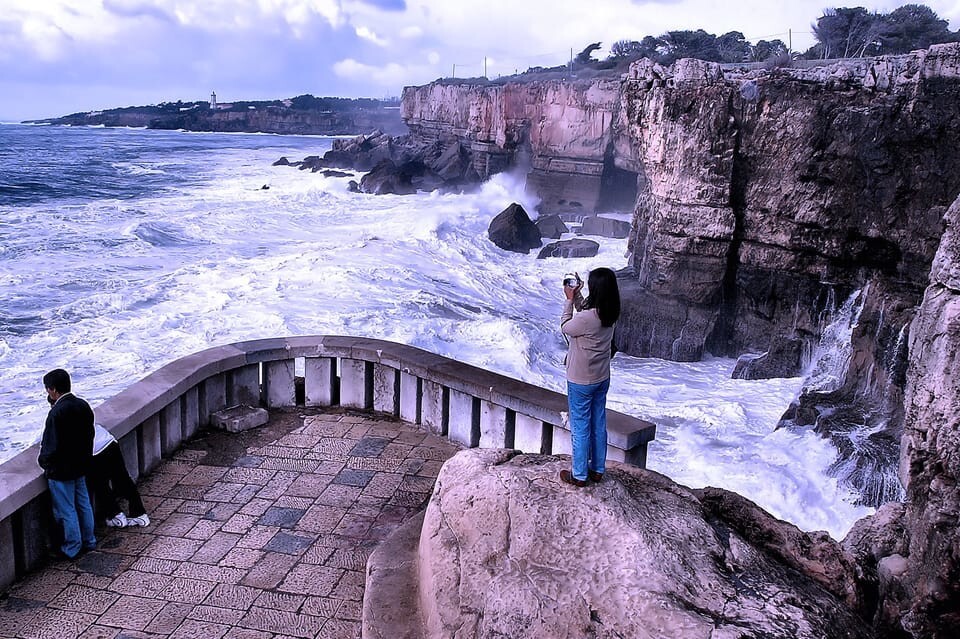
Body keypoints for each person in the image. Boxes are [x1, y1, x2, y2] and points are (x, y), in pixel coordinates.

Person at [559, 268, 621, 487]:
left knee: (580, 426)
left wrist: (568, 301)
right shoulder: (610, 312)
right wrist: (577, 296)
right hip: (601, 377)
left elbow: (567, 326)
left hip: (581, 381)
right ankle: (597, 470)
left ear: (596, 290)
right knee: (598, 422)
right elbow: (587, 313)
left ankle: (579, 475)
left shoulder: (587, 319)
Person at [38, 368, 97, 559]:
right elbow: (90, 435)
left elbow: (50, 446)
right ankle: (89, 540)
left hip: (61, 470)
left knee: (67, 510)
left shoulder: (57, 413)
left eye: (47, 389)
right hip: (81, 465)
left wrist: (45, 463)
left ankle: (72, 548)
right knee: (84, 504)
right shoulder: (83, 405)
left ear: (53, 390)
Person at [87, 423, 150, 527]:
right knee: (122, 478)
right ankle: (139, 513)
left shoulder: (57, 412)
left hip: (94, 451)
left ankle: (115, 515)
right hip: (109, 441)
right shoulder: (83, 406)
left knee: (100, 484)